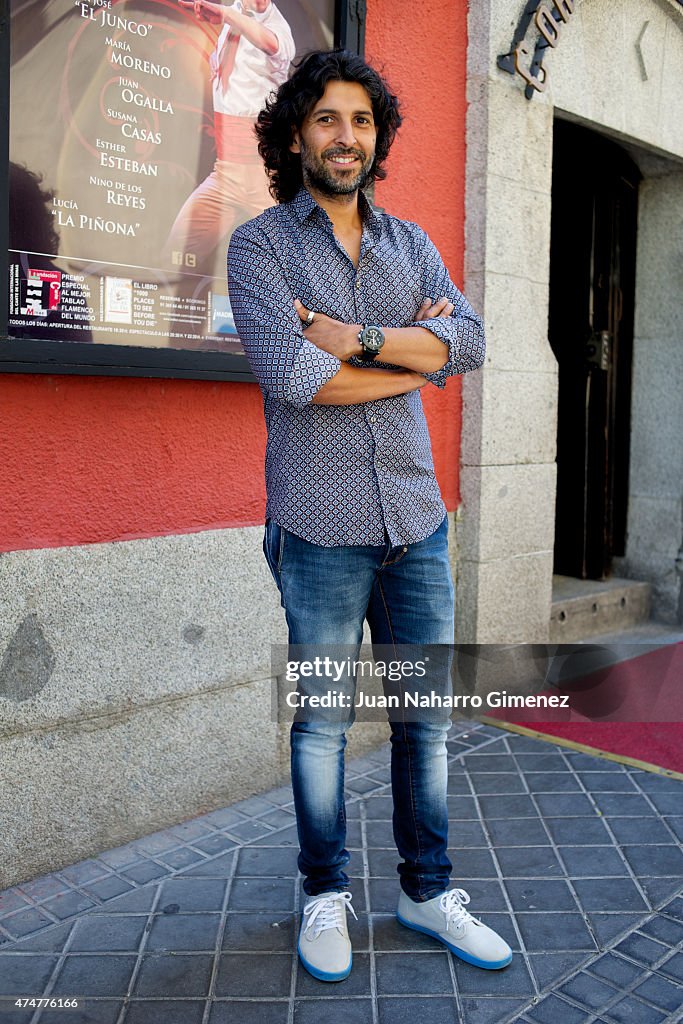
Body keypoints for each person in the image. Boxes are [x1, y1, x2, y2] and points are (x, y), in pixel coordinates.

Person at [227, 49, 512, 982]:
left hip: (417, 521)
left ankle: (426, 891)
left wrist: (359, 340)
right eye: (325, 119)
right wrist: (411, 361)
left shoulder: (411, 243)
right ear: (294, 135)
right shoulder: (261, 246)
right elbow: (291, 378)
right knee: (318, 724)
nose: (344, 137)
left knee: (423, 722)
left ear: (376, 135)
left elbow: (466, 341)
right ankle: (322, 896)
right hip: (317, 526)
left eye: (359, 120)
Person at [167, 0, 295, 270]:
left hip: (263, 179)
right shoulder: (237, 13)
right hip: (226, 173)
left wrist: (226, 15)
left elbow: (271, 44)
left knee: (289, 271)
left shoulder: (275, 26)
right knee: (176, 250)